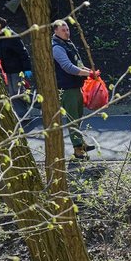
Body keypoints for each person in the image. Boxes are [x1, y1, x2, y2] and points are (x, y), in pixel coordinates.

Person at [51, 19, 95, 160]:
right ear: (56, 31)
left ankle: (81, 143)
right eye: (63, 30)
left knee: (79, 116)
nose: (67, 32)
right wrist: (88, 74)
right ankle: (77, 150)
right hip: (66, 88)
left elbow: (78, 64)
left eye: (68, 29)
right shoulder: (57, 47)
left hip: (75, 86)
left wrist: (91, 71)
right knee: (72, 119)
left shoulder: (68, 44)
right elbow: (68, 67)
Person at [0, 15, 32, 117]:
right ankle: (23, 115)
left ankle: (40, 103)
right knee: (13, 94)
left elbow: (23, 53)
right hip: (8, 70)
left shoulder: (11, 36)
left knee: (19, 91)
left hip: (17, 69)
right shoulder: (0, 37)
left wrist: (27, 68)